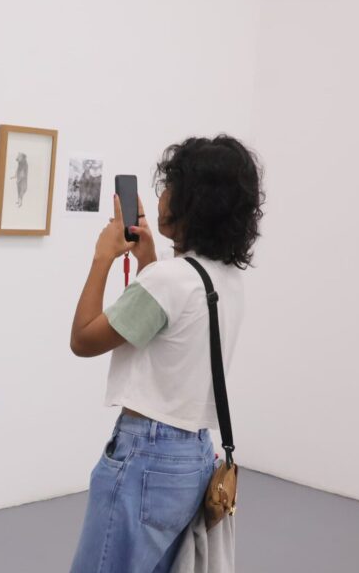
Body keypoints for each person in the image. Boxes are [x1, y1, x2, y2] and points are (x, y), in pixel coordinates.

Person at [67, 136, 264, 572]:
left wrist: (102, 257)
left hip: (146, 457)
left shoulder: (168, 282)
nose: (161, 197)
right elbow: (168, 332)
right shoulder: (224, 279)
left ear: (192, 201)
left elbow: (83, 339)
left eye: (170, 186)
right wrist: (149, 260)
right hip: (195, 456)